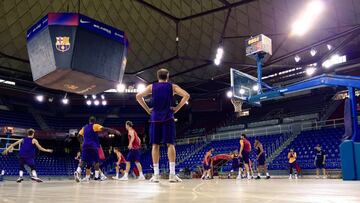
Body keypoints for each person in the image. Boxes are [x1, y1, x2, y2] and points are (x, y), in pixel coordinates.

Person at [136, 68, 190, 183]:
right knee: (170, 145)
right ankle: (172, 174)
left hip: (155, 118)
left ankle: (156, 175)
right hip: (168, 118)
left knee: (155, 145)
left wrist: (147, 110)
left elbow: (138, 96)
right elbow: (186, 95)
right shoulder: (172, 87)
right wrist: (176, 108)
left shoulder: (152, 87)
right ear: (168, 76)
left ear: (157, 76)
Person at [76, 116, 120, 182]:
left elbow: (78, 136)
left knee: (83, 160)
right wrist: (114, 131)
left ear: (89, 121)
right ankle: (96, 177)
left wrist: (82, 142)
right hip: (93, 146)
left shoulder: (84, 127)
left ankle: (78, 171)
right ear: (94, 121)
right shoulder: (95, 125)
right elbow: (105, 129)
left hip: (85, 146)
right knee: (96, 161)